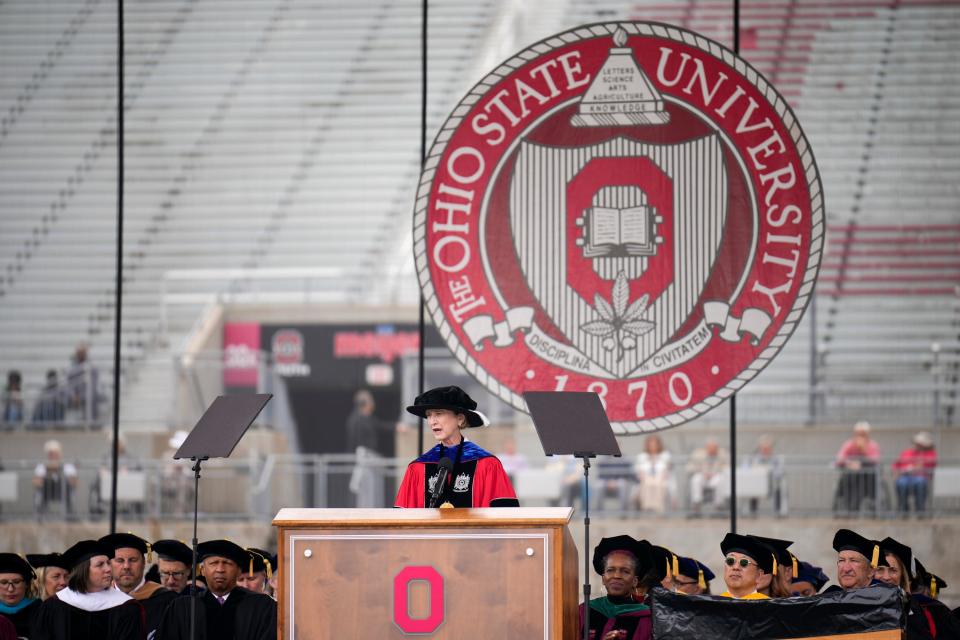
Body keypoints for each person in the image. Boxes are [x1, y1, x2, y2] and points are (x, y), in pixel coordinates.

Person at [394, 386, 518, 508]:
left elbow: (506, 518)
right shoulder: (418, 468)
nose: (432, 421)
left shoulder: (487, 464)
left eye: (438, 413)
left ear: (460, 419)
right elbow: (402, 521)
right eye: (429, 415)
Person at [154, 539, 277, 640]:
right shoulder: (183, 607)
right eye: (213, 563)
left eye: (227, 563)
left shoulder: (262, 606)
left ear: (239, 571)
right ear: (202, 570)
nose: (220, 569)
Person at [32, 539, 144, 639]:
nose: (108, 569)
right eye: (100, 564)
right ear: (83, 571)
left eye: (108, 563)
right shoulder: (54, 606)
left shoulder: (126, 607)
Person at [100, 532, 177, 638]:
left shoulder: (167, 600)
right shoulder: (99, 600)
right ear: (109, 564)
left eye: (133, 560)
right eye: (120, 560)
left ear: (144, 563)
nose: (126, 566)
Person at [580, 535, 654, 640]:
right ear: (603, 578)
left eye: (625, 571)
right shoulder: (584, 611)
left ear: (634, 581)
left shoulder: (647, 618)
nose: (617, 576)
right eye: (610, 570)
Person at [346, 390, 405, 507]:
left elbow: (379, 425)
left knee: (372, 493)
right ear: (364, 403)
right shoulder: (356, 419)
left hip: (370, 460)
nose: (373, 403)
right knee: (365, 494)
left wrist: (396, 427)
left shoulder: (367, 418)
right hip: (364, 460)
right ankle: (364, 520)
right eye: (370, 400)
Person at [834, 421, 881, 514]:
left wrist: (863, 451)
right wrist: (849, 463)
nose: (860, 436)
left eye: (863, 433)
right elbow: (840, 458)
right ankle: (847, 506)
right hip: (850, 476)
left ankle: (855, 507)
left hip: (867, 478)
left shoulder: (872, 445)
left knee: (861, 483)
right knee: (846, 481)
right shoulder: (849, 444)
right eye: (858, 433)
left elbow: (875, 460)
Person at [892, 431, 937, 515]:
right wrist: (898, 472)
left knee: (920, 482)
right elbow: (896, 464)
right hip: (905, 477)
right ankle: (903, 509)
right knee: (901, 483)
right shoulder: (907, 452)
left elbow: (929, 464)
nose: (917, 445)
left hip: (921, 477)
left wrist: (916, 467)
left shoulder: (930, 453)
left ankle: (920, 510)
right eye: (917, 443)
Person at [717, 533, 772, 599]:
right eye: (730, 561)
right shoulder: (711, 606)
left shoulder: (768, 607)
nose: (736, 567)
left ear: (759, 575)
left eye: (744, 562)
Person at [32, 440, 77, 520]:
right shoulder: (41, 467)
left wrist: (61, 473)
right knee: (38, 495)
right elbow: (35, 482)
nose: (53, 456)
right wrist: (47, 473)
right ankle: (40, 517)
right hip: (46, 493)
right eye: (51, 454)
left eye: (55, 454)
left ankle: (70, 517)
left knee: (70, 494)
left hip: (63, 493)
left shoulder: (68, 466)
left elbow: (75, 483)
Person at [744, 435, 786, 516]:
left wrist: (769, 473)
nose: (765, 450)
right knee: (752, 490)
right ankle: (753, 512)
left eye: (767, 448)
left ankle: (778, 512)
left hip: (772, 483)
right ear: (760, 448)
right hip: (756, 484)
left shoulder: (776, 458)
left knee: (779, 489)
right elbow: (745, 468)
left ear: (771, 448)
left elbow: (780, 471)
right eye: (763, 448)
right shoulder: (753, 458)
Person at [0, 553, 40, 638]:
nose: (10, 589)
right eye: (3, 582)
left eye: (17, 582)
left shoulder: (41, 610)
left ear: (26, 584)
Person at [686, 438, 728, 515]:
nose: (712, 450)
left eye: (714, 448)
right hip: (703, 476)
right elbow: (689, 467)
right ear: (706, 447)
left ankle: (719, 505)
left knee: (721, 479)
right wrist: (701, 470)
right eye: (710, 448)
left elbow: (727, 467)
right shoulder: (698, 454)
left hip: (715, 477)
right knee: (696, 479)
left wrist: (716, 472)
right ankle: (697, 503)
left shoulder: (722, 454)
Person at [632, 434, 673, 513]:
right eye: (650, 444)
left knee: (658, 484)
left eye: (654, 444)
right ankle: (647, 509)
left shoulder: (665, 456)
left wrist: (658, 478)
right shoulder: (642, 456)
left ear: (658, 445)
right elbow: (638, 471)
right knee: (647, 484)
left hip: (661, 479)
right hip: (645, 479)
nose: (652, 446)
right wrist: (647, 478)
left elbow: (666, 471)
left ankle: (659, 509)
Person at [65, 343, 100, 423]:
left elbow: (94, 384)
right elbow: (70, 384)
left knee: (94, 400)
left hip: (89, 395)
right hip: (77, 395)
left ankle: (92, 423)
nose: (81, 355)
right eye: (79, 353)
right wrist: (74, 395)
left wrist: (88, 395)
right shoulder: (72, 367)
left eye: (83, 353)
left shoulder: (91, 366)